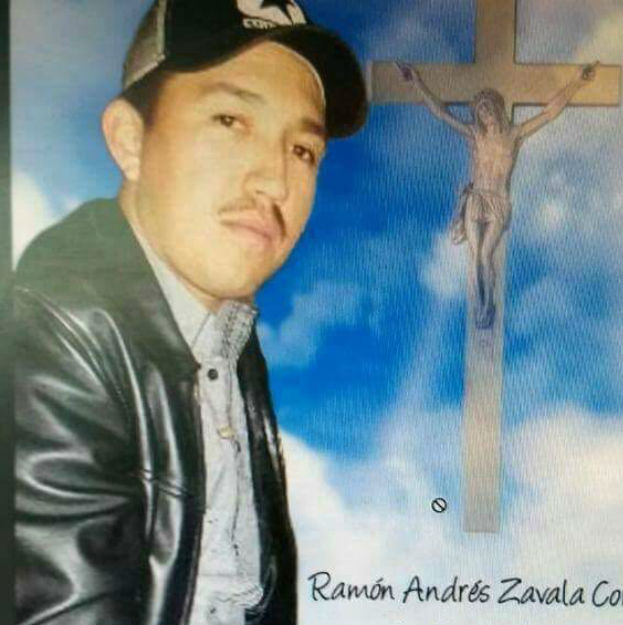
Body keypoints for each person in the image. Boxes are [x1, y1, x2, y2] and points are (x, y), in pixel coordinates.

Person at [13, 1, 367, 624]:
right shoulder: (55, 328)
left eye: (303, 149)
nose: (275, 182)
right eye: (231, 120)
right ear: (130, 140)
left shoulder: (224, 339)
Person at [397, 61, 597, 329]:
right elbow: (443, 114)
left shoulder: (514, 134)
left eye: (488, 107)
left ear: (497, 108)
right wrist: (417, 84)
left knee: (484, 255)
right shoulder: (474, 135)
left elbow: (549, 113)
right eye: (480, 110)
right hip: (477, 199)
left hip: (498, 202)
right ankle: (482, 305)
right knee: (476, 257)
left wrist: (577, 83)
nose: (485, 113)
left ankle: (487, 303)